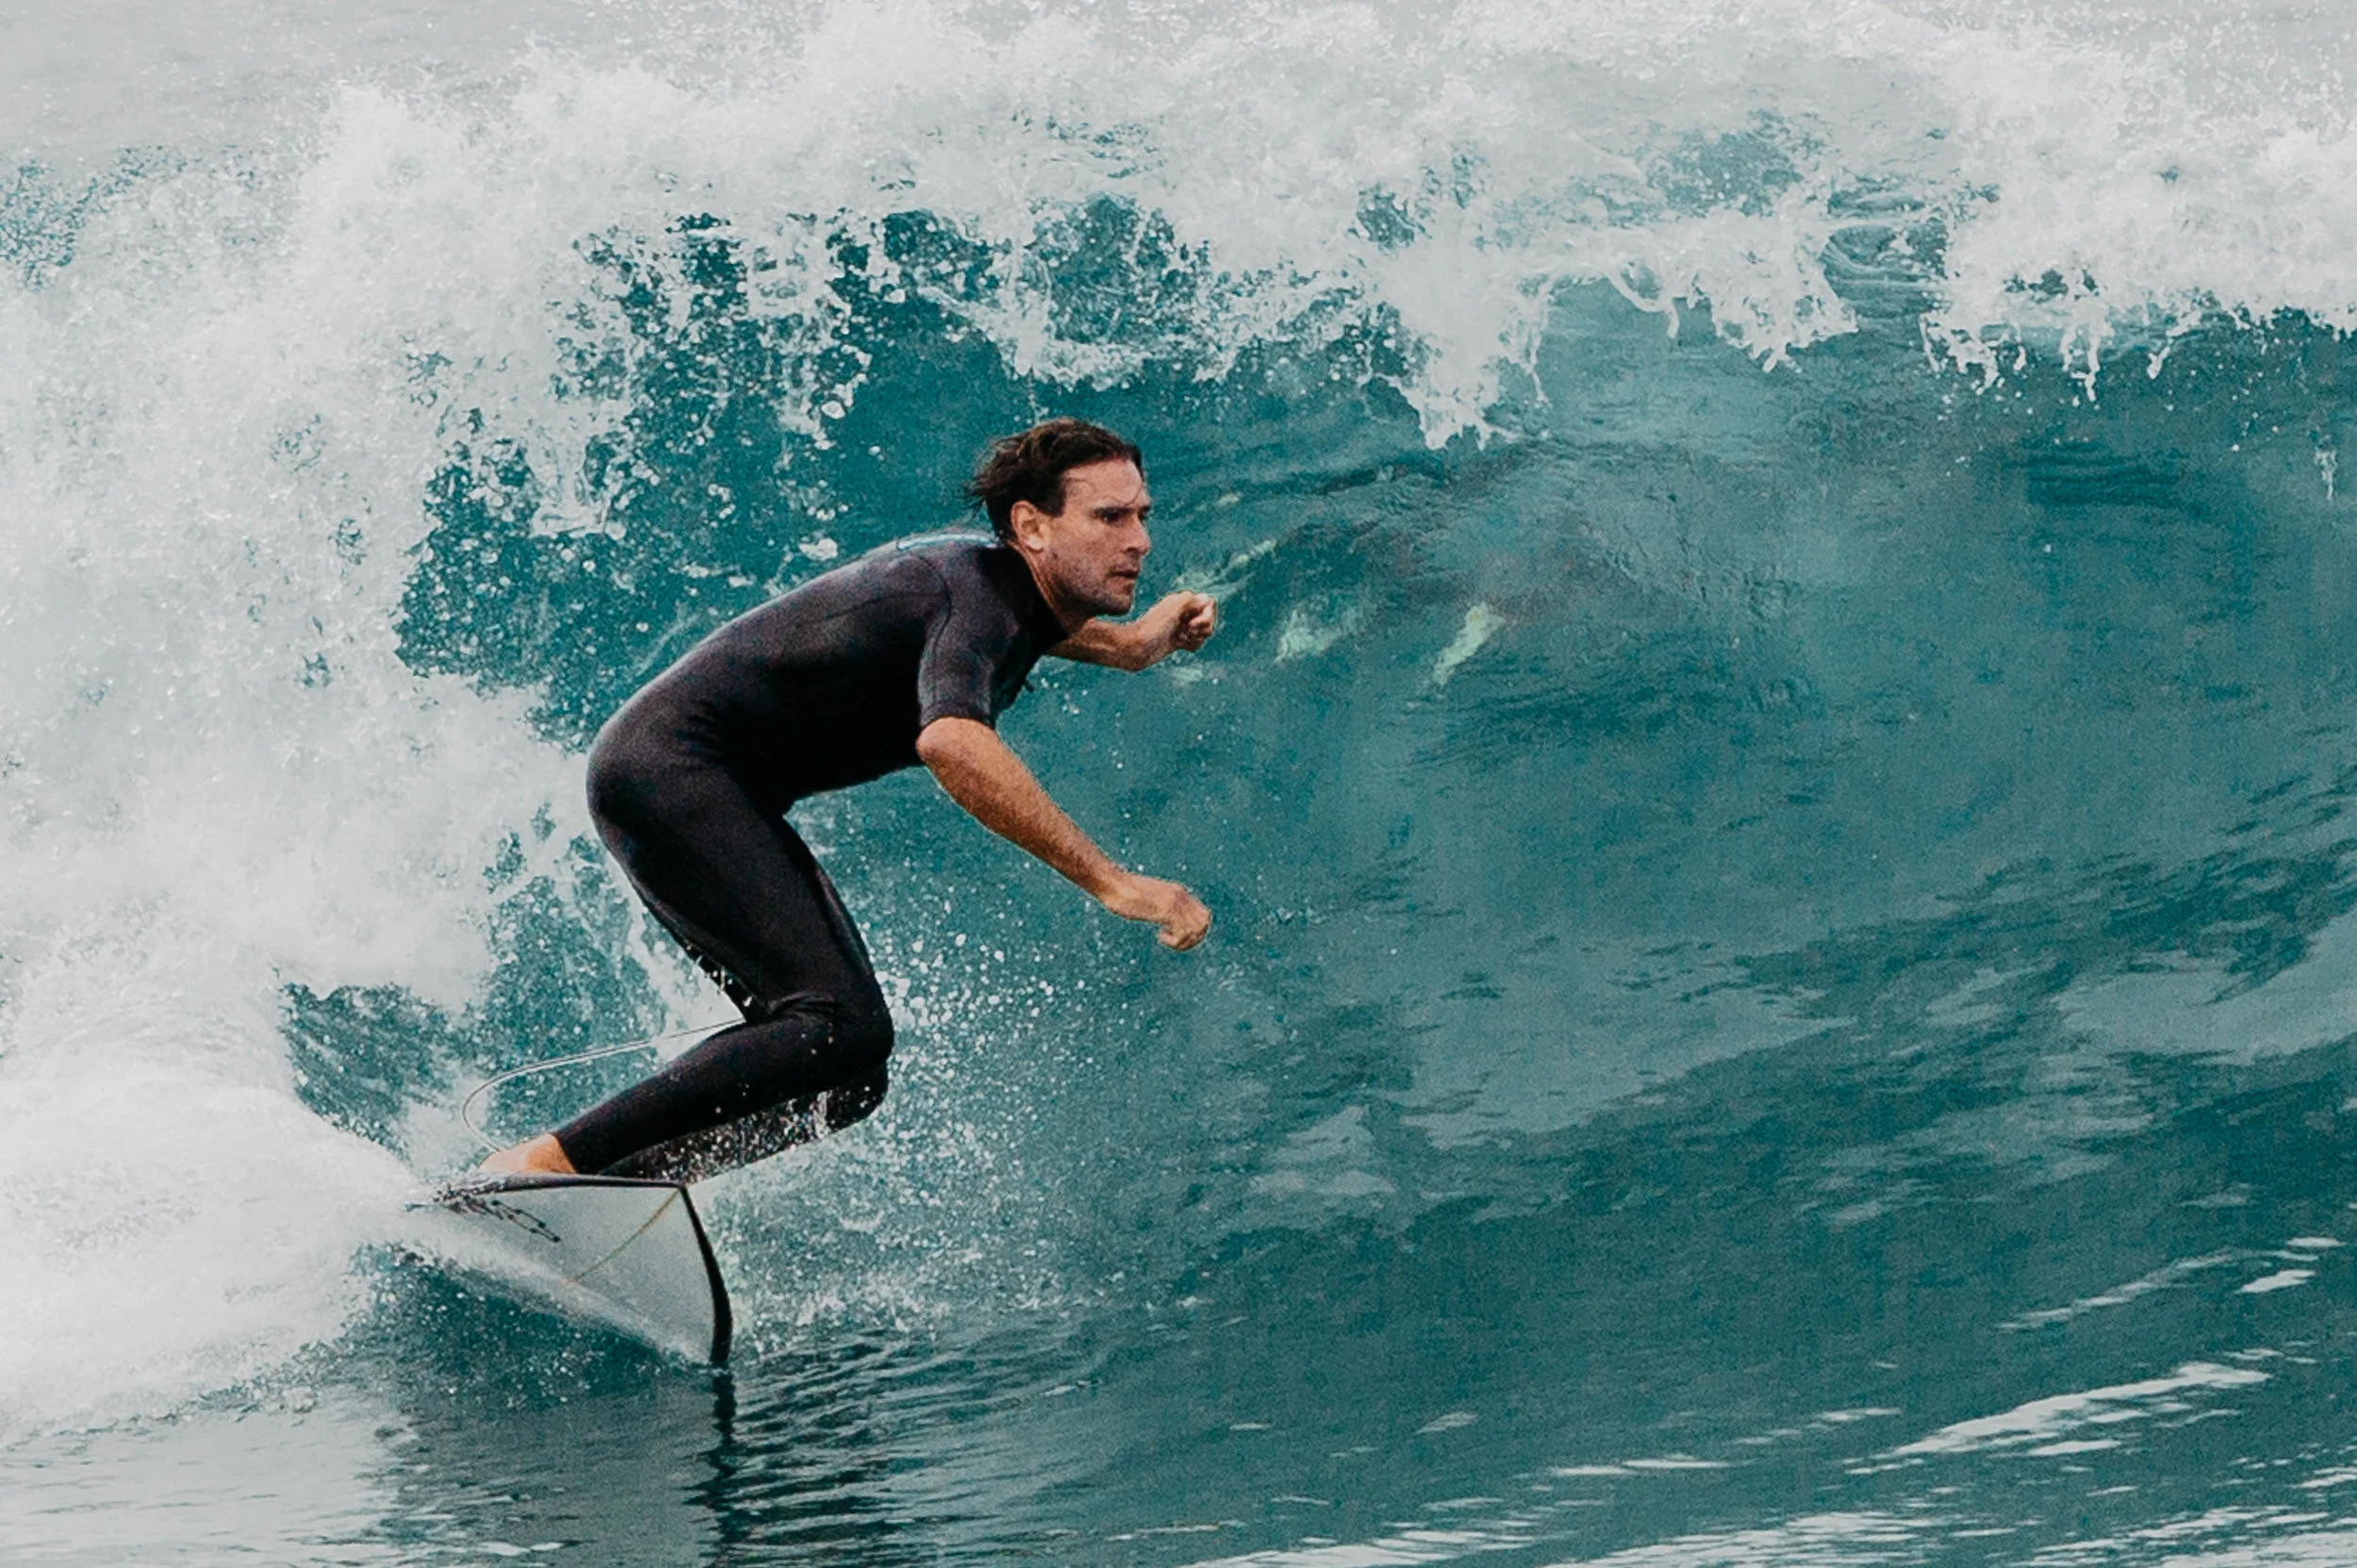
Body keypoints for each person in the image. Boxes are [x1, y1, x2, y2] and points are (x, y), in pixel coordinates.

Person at [478, 419, 1215, 1182]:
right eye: (1109, 518)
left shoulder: (995, 589)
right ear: (1030, 526)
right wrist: (1113, 881)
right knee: (836, 1025)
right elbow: (952, 740)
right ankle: (544, 1165)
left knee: (850, 1074)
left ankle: (618, 1184)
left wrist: (1135, 646)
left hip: (699, 779)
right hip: (668, 769)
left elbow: (1018, 634)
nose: (1140, 541)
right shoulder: (975, 598)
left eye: (1142, 515)